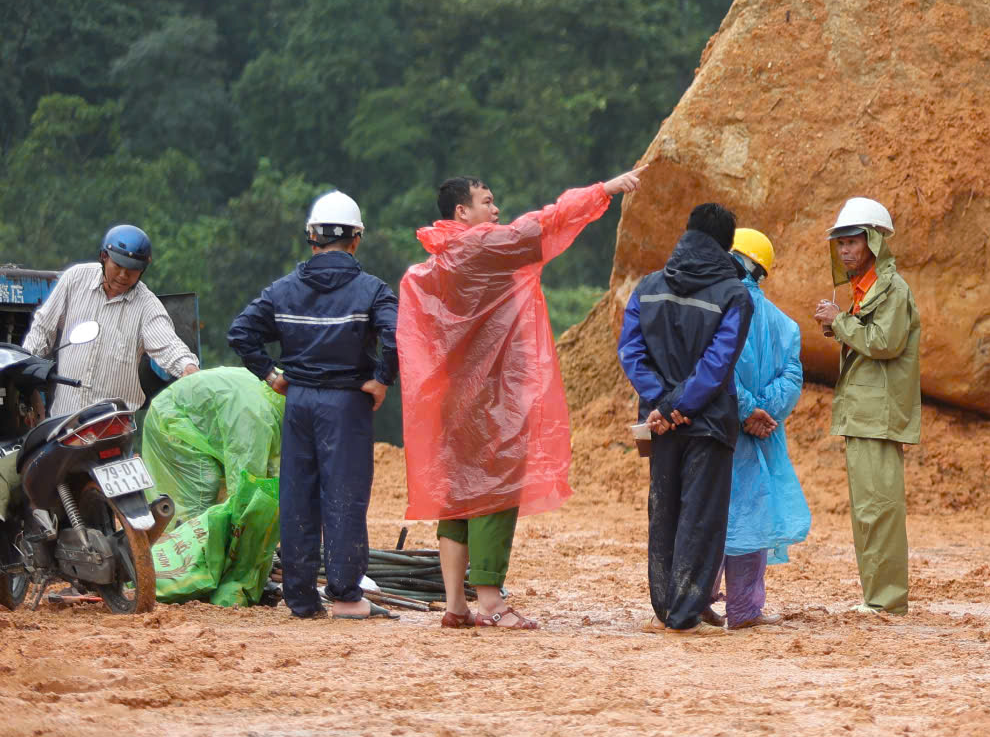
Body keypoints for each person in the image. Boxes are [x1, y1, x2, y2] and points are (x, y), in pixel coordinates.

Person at [402, 168, 638, 631]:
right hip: (489, 396)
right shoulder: (482, 245)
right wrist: (603, 190)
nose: (495, 210)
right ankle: (490, 599)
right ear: (461, 212)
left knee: (457, 497)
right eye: (486, 201)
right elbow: (541, 225)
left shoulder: (435, 261)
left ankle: (455, 605)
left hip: (450, 396)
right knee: (494, 490)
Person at [229, 191, 400, 620]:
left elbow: (241, 331)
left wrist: (272, 375)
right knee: (343, 496)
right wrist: (381, 381)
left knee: (298, 496)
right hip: (347, 404)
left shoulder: (283, 289)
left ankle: (302, 599)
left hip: (299, 402)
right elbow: (400, 336)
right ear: (356, 239)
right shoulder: (372, 290)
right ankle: (345, 596)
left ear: (312, 237)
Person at [619, 202, 752, 632]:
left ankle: (666, 607)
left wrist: (661, 403)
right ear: (727, 247)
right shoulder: (735, 294)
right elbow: (719, 362)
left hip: (659, 423)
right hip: (709, 421)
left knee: (665, 511)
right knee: (701, 514)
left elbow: (631, 352)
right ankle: (684, 610)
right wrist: (681, 404)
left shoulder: (648, 287)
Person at [813, 195, 919, 618]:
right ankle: (877, 597)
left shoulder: (891, 288)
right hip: (863, 414)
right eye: (840, 244)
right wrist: (837, 323)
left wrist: (838, 322)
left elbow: (885, 342)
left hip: (879, 416)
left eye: (853, 242)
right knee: (867, 511)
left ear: (874, 242)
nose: (845, 251)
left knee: (881, 511)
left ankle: (887, 600)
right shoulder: (867, 289)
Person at [717, 227, 810, 629]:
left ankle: (697, 603)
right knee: (752, 520)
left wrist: (745, 410)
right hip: (764, 437)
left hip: (720, 431)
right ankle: (744, 609)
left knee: (711, 516)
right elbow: (791, 378)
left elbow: (716, 371)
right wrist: (761, 414)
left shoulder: (717, 309)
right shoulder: (786, 325)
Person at [23, 224, 198, 416]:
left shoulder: (147, 306)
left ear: (142, 270)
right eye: (118, 266)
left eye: (132, 270)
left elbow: (169, 345)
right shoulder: (75, 280)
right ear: (104, 257)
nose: (123, 276)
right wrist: (23, 366)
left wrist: (187, 366)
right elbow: (42, 327)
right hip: (64, 421)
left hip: (113, 428)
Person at [136, 364, 286, 519]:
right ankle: (192, 537)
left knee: (222, 494)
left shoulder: (281, 389)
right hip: (169, 418)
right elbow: (245, 483)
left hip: (197, 415)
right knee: (204, 485)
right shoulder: (256, 419)